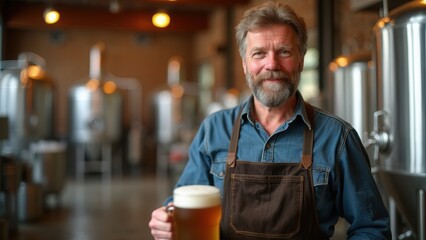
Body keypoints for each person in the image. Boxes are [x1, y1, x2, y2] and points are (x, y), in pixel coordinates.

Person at [149, 1, 391, 239]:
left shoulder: (337, 137)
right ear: (245, 64)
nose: (272, 64)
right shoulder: (214, 130)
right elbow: (182, 202)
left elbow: (372, 228)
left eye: (284, 52)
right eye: (259, 54)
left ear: (301, 60)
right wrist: (168, 220)